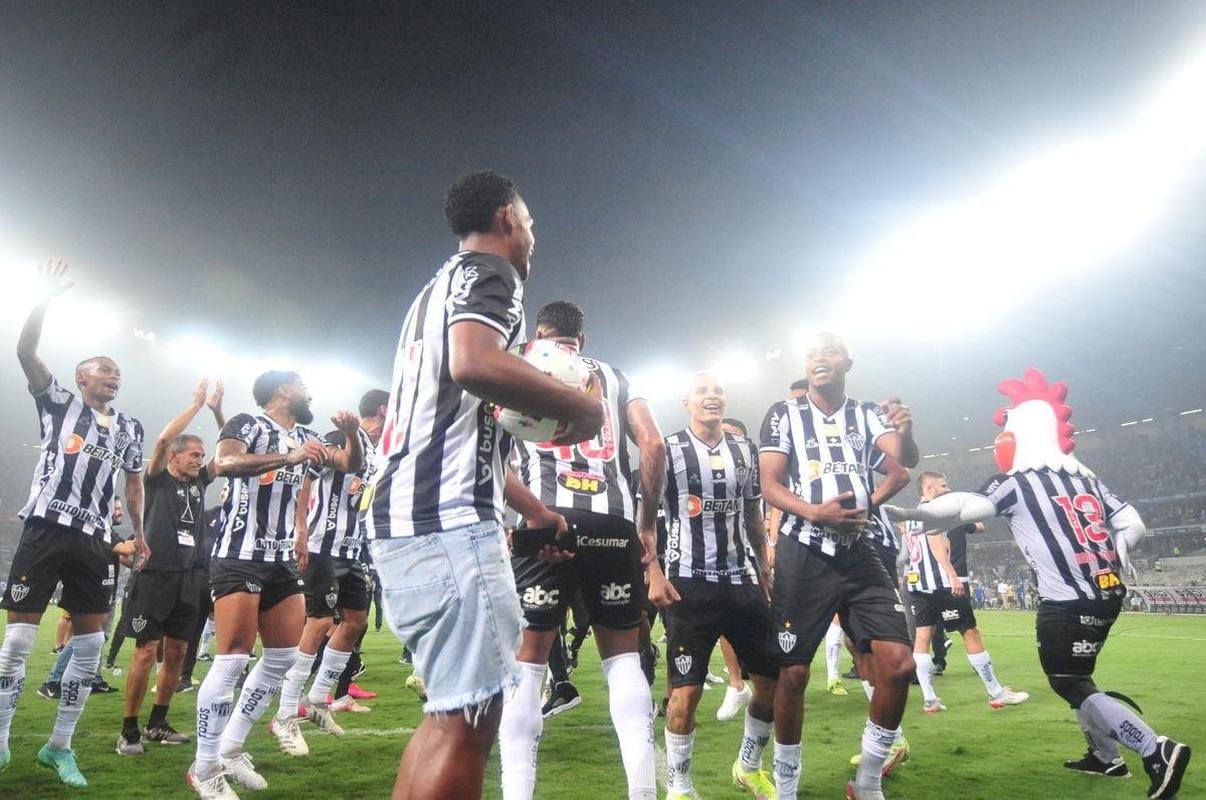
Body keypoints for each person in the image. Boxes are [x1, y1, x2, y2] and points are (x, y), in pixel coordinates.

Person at [363, 170, 603, 800]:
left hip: (409, 513)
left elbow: (465, 419)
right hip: (447, 519)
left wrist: (533, 510)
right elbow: (474, 365)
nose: (531, 235)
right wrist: (582, 408)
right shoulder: (493, 273)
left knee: (450, 710)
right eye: (528, 221)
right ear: (505, 217)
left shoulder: (434, 289)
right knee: (474, 716)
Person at [885, 368, 1191, 799]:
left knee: (1068, 681)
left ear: (1021, 433)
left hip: (1067, 601)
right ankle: (1105, 757)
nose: (998, 442)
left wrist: (910, 513)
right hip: (1107, 591)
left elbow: (966, 506)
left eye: (1004, 430)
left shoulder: (1019, 481)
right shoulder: (1087, 479)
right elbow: (1132, 522)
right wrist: (1115, 555)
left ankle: (1154, 748)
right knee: (1079, 677)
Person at [500, 300, 667, 800]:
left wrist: (515, 518)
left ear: (539, 334)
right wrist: (647, 525)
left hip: (545, 516)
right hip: (614, 524)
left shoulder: (519, 365)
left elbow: (489, 455)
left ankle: (518, 793)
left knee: (529, 666)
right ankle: (642, 793)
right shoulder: (614, 375)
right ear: (583, 341)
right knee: (623, 661)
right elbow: (653, 446)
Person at [0, 261, 146, 787]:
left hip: (95, 541)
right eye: (105, 369)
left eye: (119, 373)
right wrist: (41, 299)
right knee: (17, 643)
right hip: (44, 529)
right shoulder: (57, 401)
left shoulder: (130, 426)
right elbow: (24, 353)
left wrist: (138, 531)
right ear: (83, 376)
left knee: (87, 649)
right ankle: (0, 740)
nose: (115, 377)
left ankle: (58, 747)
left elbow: (133, 482)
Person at [758, 332, 919, 800]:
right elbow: (769, 485)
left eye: (828, 352)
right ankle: (786, 786)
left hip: (859, 550)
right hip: (802, 549)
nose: (818, 359)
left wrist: (904, 438)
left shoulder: (868, 412)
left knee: (898, 663)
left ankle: (867, 783)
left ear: (847, 362)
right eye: (810, 353)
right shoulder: (782, 413)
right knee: (794, 673)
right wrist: (813, 512)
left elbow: (901, 464)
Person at [187, 370, 362, 798]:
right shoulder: (246, 423)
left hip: (281, 559)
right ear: (284, 390)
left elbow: (349, 465)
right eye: (302, 383)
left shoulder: (307, 435)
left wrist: (352, 435)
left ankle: (231, 746)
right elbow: (225, 463)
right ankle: (204, 765)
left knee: (282, 657)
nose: (309, 391)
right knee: (231, 659)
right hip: (238, 555)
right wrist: (290, 458)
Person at [660, 376, 777, 800]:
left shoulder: (745, 451)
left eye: (719, 391)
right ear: (686, 402)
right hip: (688, 583)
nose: (712, 397)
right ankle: (680, 786)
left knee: (771, 684)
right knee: (685, 692)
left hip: (742, 581)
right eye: (703, 391)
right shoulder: (668, 448)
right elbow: (646, 517)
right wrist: (653, 571)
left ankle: (748, 766)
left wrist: (764, 572)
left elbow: (752, 516)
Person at [271, 388, 388, 752]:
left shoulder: (377, 450)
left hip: (353, 547)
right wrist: (301, 530)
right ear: (385, 410)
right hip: (322, 543)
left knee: (355, 622)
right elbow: (306, 477)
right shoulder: (338, 437)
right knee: (319, 622)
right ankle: (285, 714)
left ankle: (319, 699)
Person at [116, 379, 225, 755]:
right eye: (193, 454)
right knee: (146, 650)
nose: (199, 459)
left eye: (201, 454)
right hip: (155, 574)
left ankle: (157, 722)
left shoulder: (199, 484)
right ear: (175, 458)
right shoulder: (157, 480)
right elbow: (162, 439)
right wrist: (195, 405)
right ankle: (128, 729)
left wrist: (216, 412)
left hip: (191, 577)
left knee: (178, 651)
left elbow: (227, 454)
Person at [902, 471, 1028, 713]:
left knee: (922, 639)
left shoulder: (910, 517)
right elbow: (935, 544)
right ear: (928, 489)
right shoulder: (934, 512)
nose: (948, 489)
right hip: (942, 584)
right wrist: (951, 575)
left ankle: (930, 699)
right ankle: (997, 692)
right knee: (970, 632)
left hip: (919, 585)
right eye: (943, 485)